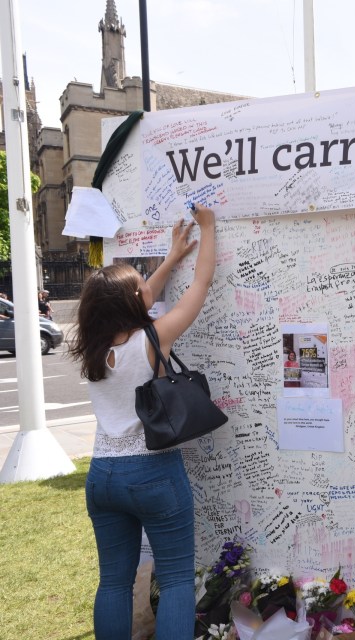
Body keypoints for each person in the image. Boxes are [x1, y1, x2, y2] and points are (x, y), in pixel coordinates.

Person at [70, 206, 217, 639]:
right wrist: (207, 229)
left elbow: (137, 299)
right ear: (134, 303)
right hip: (153, 474)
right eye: (140, 287)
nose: (146, 290)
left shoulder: (95, 348)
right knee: (173, 581)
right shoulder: (154, 341)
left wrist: (170, 259)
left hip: (102, 475)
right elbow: (202, 284)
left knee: (113, 582)